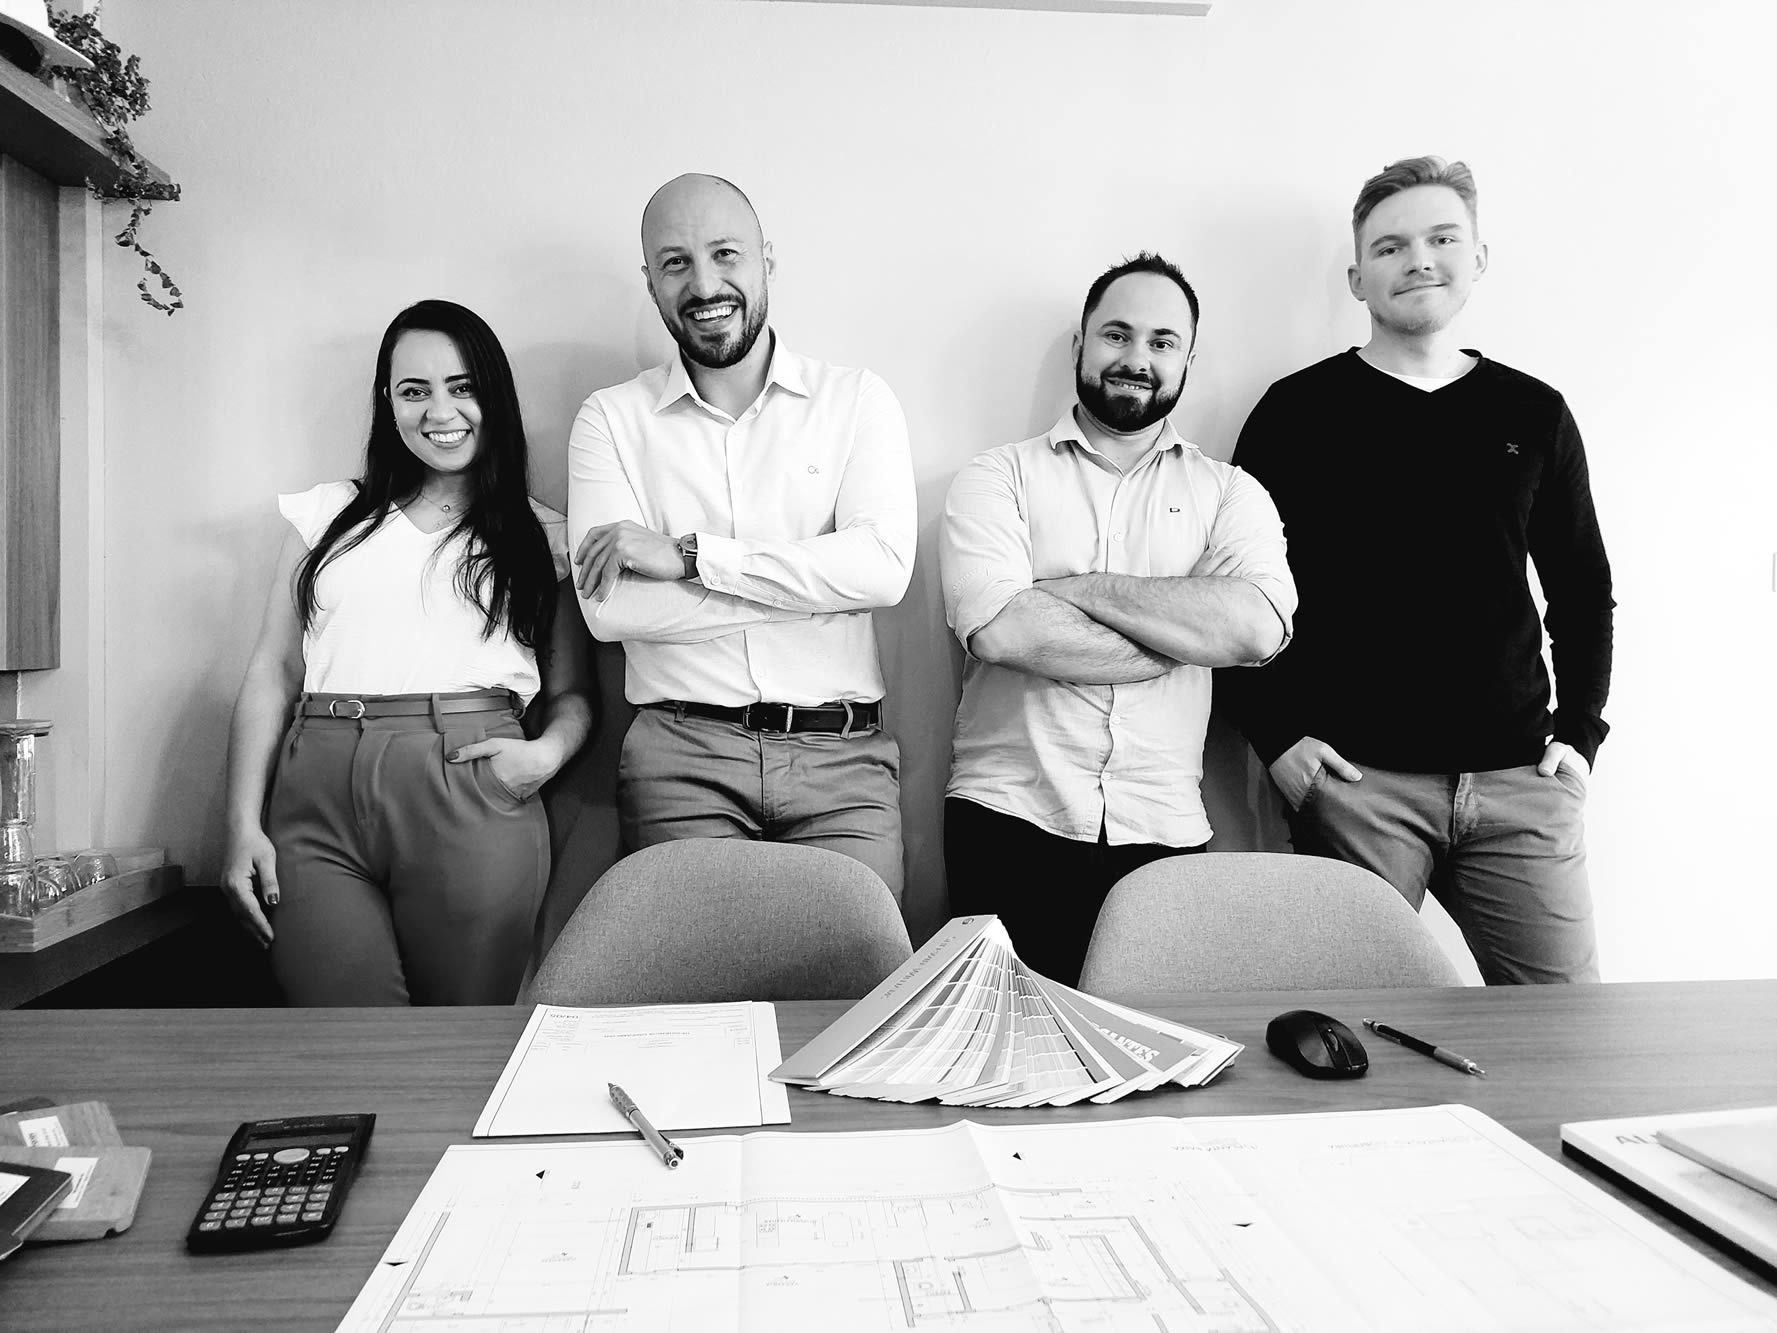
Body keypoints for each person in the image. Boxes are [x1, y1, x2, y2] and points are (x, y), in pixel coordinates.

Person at [1223, 156, 1614, 985]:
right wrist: (1277, 740)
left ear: (1478, 258)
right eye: (1390, 246)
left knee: (1565, 1028)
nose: (1418, 260)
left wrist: (1579, 737)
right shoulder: (1294, 412)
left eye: (1442, 238)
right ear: (1356, 277)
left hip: (1517, 783)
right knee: (1346, 1032)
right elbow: (1233, 594)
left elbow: (1581, 590)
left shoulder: (1534, 411)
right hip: (1355, 786)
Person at [221, 299, 595, 1005]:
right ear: (387, 402)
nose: (440, 411)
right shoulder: (324, 515)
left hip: (470, 786)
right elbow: (273, 672)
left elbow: (572, 693)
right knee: (344, 1034)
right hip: (316, 798)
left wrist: (546, 754)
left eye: (462, 387)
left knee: (458, 1042)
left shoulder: (543, 537)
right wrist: (240, 825)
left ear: (493, 396)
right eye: (414, 390)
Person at [939, 253, 1297, 986]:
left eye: (1162, 342)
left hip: (1163, 829)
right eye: (1116, 334)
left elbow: (1256, 629)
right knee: (1006, 1044)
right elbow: (1005, 631)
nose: (1137, 358)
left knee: (1150, 1046)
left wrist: (1076, 590)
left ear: (1187, 360)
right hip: (1009, 818)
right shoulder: (997, 476)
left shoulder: (1230, 493)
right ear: (1081, 345)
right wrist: (1185, 633)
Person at [567, 174, 915, 897]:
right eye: (675, 263)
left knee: (860, 965)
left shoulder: (856, 401)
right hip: (680, 760)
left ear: (767, 261)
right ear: (651, 282)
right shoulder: (609, 420)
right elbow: (611, 611)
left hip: (841, 761)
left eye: (725, 253)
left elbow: (883, 570)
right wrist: (816, 593)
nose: (703, 284)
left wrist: (690, 558)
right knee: (695, 969)